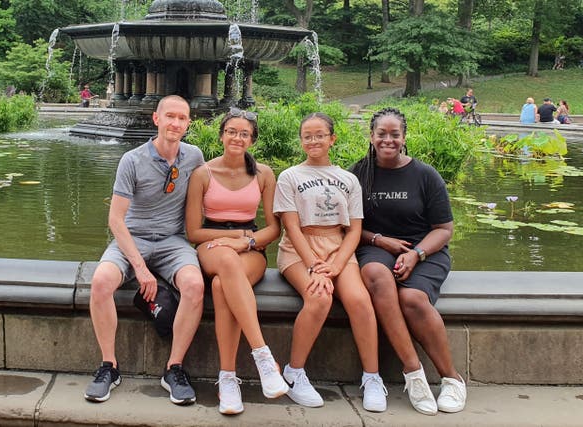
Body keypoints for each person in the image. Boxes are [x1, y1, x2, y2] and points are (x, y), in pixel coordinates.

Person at [84, 95, 206, 406]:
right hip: (132, 238)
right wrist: (139, 268)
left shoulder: (194, 157)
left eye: (182, 118)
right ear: (157, 119)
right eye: (170, 117)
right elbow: (115, 219)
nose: (175, 123)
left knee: (194, 285)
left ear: (188, 123)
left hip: (173, 242)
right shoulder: (132, 159)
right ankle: (109, 366)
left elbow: (210, 197)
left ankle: (174, 368)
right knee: (100, 282)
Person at [350, 107, 467, 416]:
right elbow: (349, 228)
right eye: (381, 134)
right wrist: (379, 240)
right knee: (377, 274)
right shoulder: (358, 173)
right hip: (374, 246)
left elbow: (444, 229)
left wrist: (416, 254)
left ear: (404, 137)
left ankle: (451, 378)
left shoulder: (425, 174)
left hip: (425, 249)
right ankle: (413, 372)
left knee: (413, 298)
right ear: (371, 136)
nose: (388, 140)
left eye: (394, 134)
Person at [273, 112, 388, 413]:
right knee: (320, 296)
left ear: (332, 139)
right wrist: (314, 265)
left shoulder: (348, 179)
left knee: (360, 301)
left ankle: (372, 377)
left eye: (320, 135)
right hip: (299, 251)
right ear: (301, 141)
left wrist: (337, 264)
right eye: (307, 136)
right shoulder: (290, 177)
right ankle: (295, 372)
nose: (313, 140)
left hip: (338, 247)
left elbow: (355, 230)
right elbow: (291, 227)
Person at [185, 108, 287, 415]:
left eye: (244, 133)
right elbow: (193, 231)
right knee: (226, 264)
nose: (237, 138)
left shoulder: (264, 174)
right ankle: (263, 355)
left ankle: (227, 379)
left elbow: (273, 228)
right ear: (221, 135)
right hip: (212, 243)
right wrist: (230, 240)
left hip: (250, 245)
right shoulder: (203, 174)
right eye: (231, 131)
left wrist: (246, 240)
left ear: (252, 140)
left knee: (220, 286)